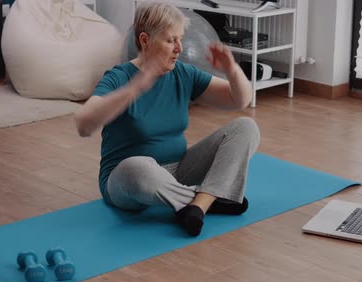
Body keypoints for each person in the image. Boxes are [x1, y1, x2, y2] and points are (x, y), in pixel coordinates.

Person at [74, 2, 260, 236]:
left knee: (246, 127)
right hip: (127, 181)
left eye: (180, 39)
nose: (179, 48)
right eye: (171, 40)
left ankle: (198, 205)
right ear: (145, 40)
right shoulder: (119, 77)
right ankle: (212, 196)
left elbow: (239, 100)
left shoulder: (183, 73)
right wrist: (134, 88)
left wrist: (232, 69)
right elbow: (83, 123)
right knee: (137, 165)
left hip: (180, 170)